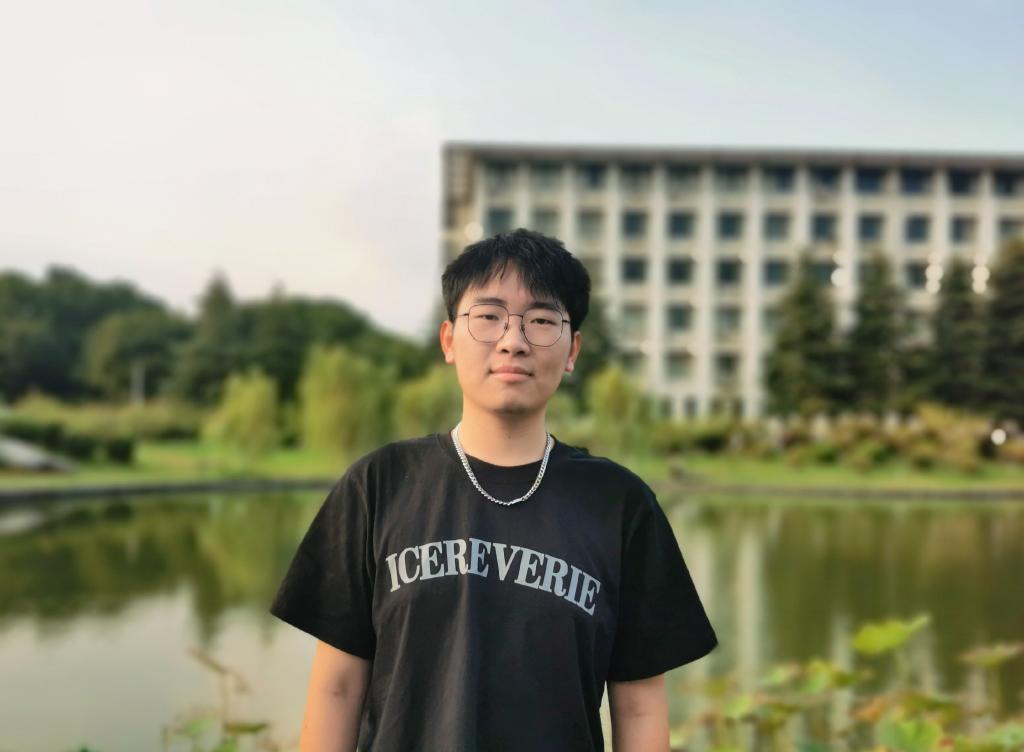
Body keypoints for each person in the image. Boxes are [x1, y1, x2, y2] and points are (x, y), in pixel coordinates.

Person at [269, 228, 719, 751]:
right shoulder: (378, 485)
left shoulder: (620, 504)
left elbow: (639, 704)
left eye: (542, 321)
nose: (513, 341)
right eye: (488, 317)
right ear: (448, 341)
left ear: (572, 350)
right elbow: (338, 689)